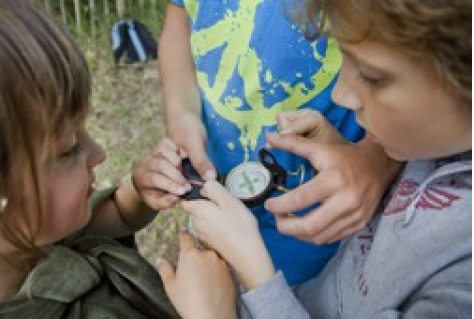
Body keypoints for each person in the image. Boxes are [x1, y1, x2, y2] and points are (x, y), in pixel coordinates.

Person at [156, 0, 472, 317]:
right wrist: (360, 152)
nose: (341, 95)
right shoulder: (430, 147)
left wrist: (240, 296)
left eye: (370, 76)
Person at [158, 0, 400, 286]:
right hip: (218, 204)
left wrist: (378, 160)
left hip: (325, 230)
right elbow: (179, 22)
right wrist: (181, 113)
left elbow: (427, 62)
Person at [0, 1, 179, 317]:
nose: (99, 154)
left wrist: (138, 195)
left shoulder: (35, 229)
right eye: (68, 149)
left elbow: (115, 220)